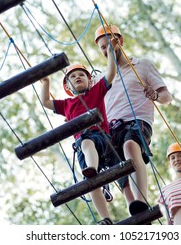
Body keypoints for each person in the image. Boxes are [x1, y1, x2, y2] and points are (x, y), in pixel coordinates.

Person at [93, 24, 173, 215]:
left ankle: (141, 199)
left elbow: (167, 97)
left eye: (109, 45)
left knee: (130, 146)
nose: (106, 50)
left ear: (119, 41)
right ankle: (134, 207)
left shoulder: (141, 65)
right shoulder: (101, 79)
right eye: (102, 48)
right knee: (117, 165)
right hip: (112, 128)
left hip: (137, 121)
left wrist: (154, 95)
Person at [40, 37, 119, 225]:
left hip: (101, 139)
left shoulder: (96, 91)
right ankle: (105, 219)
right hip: (84, 147)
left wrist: (111, 53)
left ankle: (92, 169)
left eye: (81, 75)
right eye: (73, 77)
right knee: (90, 182)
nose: (77, 77)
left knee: (86, 142)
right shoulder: (67, 104)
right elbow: (45, 102)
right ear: (68, 86)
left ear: (90, 80)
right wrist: (45, 82)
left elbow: (110, 73)